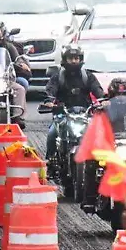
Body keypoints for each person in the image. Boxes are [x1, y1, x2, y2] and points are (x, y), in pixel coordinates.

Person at [41, 43, 104, 175]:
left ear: (81, 59)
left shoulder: (88, 76)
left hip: (85, 114)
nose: (74, 61)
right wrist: (49, 101)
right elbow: (50, 90)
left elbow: (98, 91)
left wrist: (105, 101)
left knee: (100, 135)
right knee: (52, 134)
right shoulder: (58, 76)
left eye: (76, 58)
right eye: (71, 58)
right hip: (63, 114)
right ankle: (50, 162)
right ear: (65, 59)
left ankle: (100, 164)